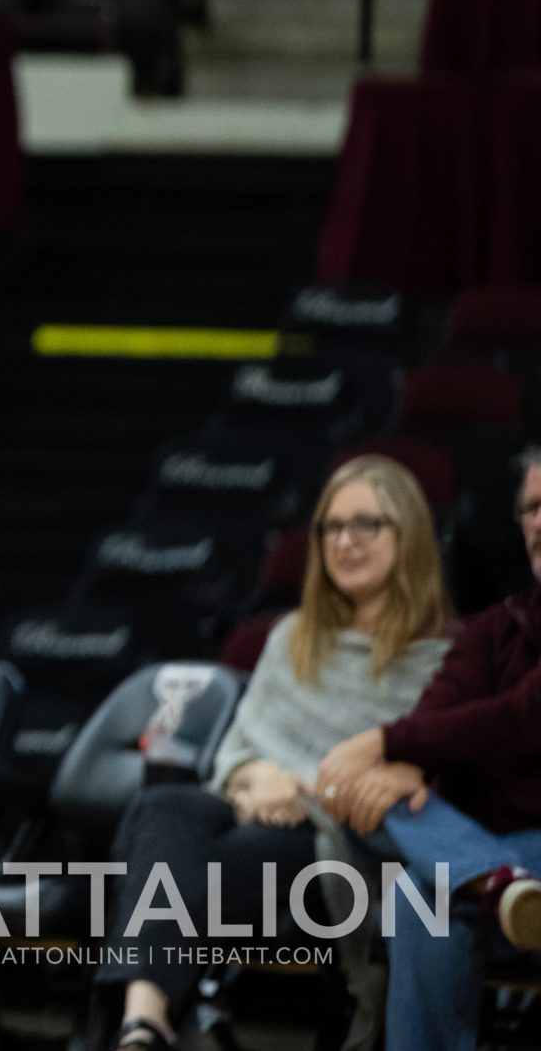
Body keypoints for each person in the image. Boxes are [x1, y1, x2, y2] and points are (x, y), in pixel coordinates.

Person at [93, 456, 453, 1051]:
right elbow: (236, 749)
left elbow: (405, 786)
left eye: (367, 525)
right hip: (254, 813)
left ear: (408, 535)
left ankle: (132, 1024)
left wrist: (301, 789)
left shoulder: (442, 660)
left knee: (166, 870)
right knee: (166, 807)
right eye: (331, 527)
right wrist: (256, 773)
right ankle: (144, 1023)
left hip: (346, 852)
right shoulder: (292, 637)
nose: (345, 541)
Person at [314, 449, 541, 1051]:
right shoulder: (496, 628)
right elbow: (436, 715)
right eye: (533, 508)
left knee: (417, 877)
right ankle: (491, 879)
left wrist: (388, 744)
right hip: (507, 860)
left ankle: (481, 875)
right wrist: (403, 764)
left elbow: (521, 717)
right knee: (411, 879)